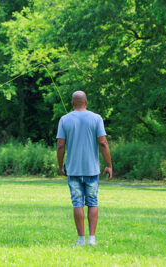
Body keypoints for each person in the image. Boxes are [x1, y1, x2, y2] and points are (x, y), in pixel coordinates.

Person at [56, 91, 112, 246]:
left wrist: (61, 166)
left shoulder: (64, 119)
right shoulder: (96, 118)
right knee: (93, 202)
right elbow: (103, 143)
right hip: (92, 170)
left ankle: (81, 240)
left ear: (72, 103)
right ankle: (92, 239)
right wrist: (109, 164)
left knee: (77, 203)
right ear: (86, 102)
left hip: (73, 170)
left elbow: (60, 145)